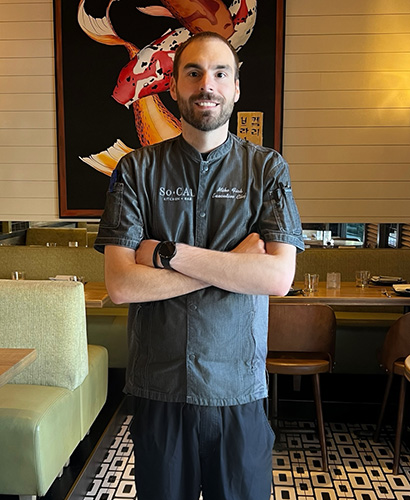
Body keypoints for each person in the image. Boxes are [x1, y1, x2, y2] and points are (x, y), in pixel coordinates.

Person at [94, 31, 304, 500]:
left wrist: (166, 254)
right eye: (193, 72)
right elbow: (122, 285)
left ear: (234, 88)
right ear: (173, 86)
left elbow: (277, 277)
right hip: (159, 387)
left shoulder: (267, 170)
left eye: (219, 73)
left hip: (239, 389)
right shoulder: (135, 170)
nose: (205, 84)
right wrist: (232, 266)